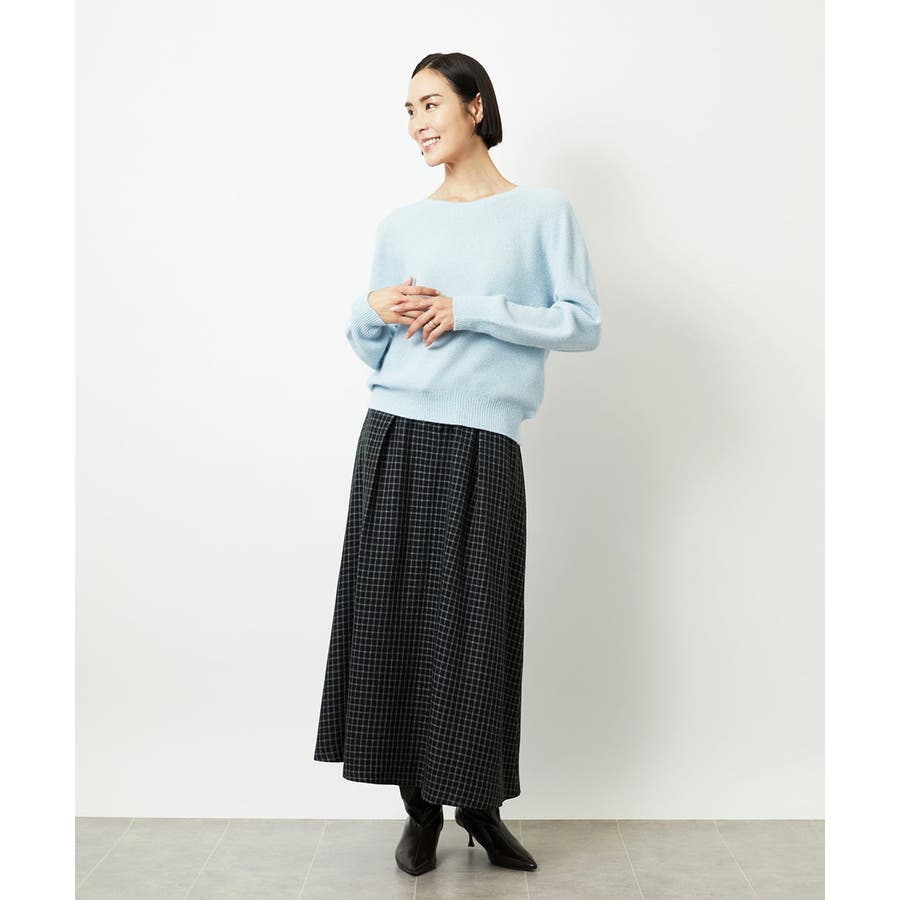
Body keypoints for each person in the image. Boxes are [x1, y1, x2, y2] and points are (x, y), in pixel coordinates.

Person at [313, 51, 602, 877]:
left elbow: (581, 323)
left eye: (432, 103)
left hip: (482, 440)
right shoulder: (402, 225)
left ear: (476, 107)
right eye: (409, 110)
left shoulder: (542, 212)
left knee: (476, 631)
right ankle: (419, 812)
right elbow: (376, 344)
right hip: (395, 432)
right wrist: (368, 308)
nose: (418, 123)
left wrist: (468, 310)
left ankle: (479, 805)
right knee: (395, 626)